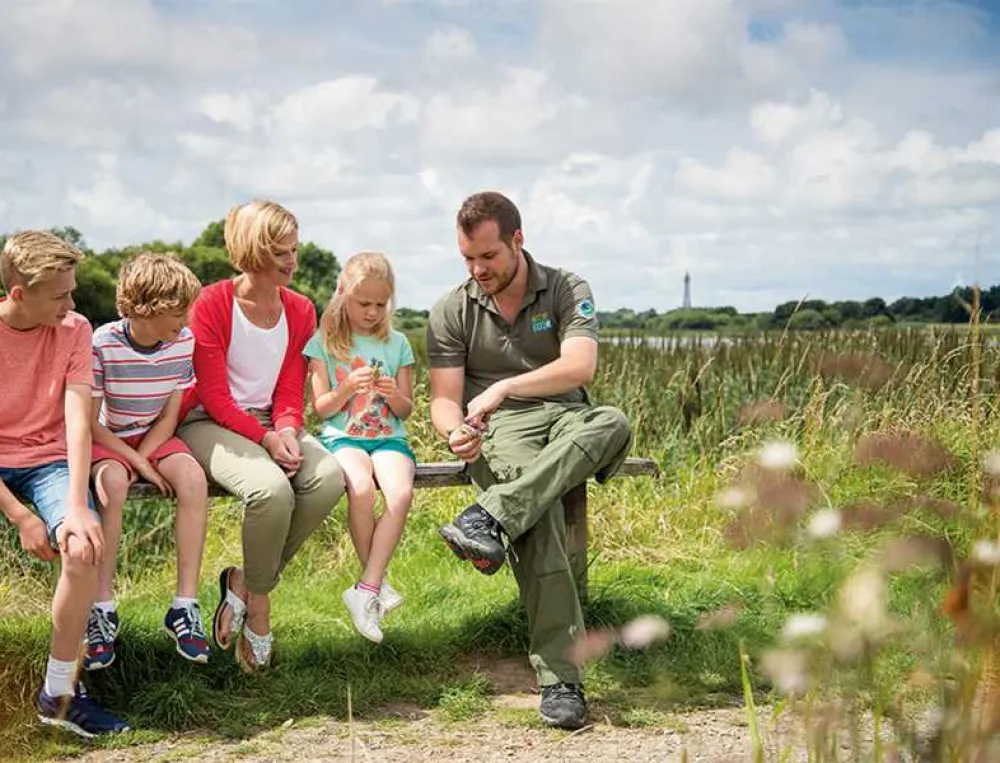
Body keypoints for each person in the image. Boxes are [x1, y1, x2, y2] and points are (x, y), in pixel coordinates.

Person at [425, 191, 634, 730]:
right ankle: (562, 679)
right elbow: (444, 400)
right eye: (468, 258)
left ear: (518, 241)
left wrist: (506, 386)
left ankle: (490, 517)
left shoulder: (567, 288)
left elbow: (580, 368)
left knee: (613, 422)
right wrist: (454, 435)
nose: (478, 269)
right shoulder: (452, 308)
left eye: (488, 256)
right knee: (535, 514)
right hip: (503, 432)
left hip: (568, 417)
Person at [176, 200, 346, 673]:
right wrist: (268, 440)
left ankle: (244, 584)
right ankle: (262, 609)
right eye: (282, 253)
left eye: (294, 250)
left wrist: (288, 429)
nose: (292, 261)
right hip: (209, 420)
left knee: (329, 477)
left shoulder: (300, 308)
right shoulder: (211, 303)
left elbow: (291, 386)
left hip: (273, 421)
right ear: (254, 252)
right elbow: (214, 394)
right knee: (270, 491)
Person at [0, 230, 128, 737]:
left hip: (48, 459)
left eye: (72, 292)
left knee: (82, 548)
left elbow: (78, 418)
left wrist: (74, 505)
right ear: (18, 295)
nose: (72, 304)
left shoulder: (74, 329)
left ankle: (58, 695)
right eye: (61, 295)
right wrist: (19, 514)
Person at [85, 252, 210, 671]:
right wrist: (136, 463)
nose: (185, 321)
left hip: (154, 436)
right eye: (177, 312)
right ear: (145, 308)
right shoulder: (103, 343)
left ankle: (184, 606)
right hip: (108, 439)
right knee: (112, 486)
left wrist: (147, 455)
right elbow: (90, 423)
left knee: (193, 479)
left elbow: (170, 415)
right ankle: (101, 609)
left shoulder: (182, 343)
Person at [304, 251, 416, 644]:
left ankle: (365, 588)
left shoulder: (398, 343)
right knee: (363, 490)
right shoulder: (323, 344)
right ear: (343, 297)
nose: (372, 312)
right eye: (363, 303)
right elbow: (321, 409)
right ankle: (375, 586)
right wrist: (348, 387)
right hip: (343, 437)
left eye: (380, 304)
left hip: (389, 438)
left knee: (401, 494)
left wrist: (390, 393)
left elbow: (407, 407)